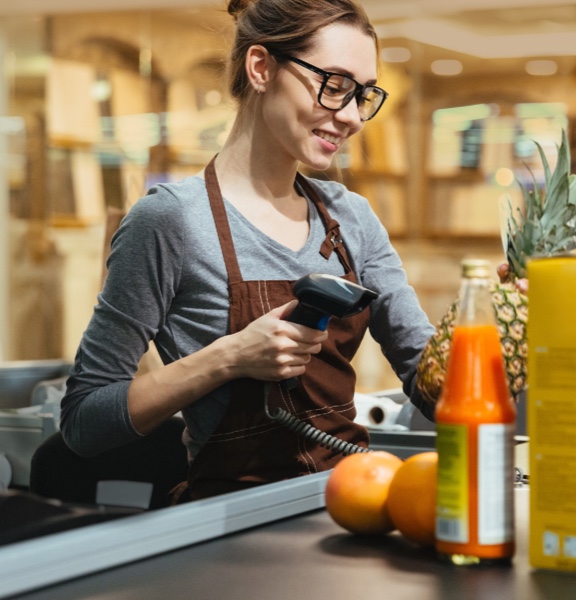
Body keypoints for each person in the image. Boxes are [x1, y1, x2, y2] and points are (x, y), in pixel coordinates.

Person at [60, 0, 436, 502]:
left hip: (349, 505)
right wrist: (229, 357)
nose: (352, 117)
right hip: (230, 527)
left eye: (363, 94)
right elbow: (85, 423)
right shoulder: (170, 221)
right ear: (261, 68)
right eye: (335, 85)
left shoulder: (352, 218)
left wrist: (513, 324)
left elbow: (435, 390)